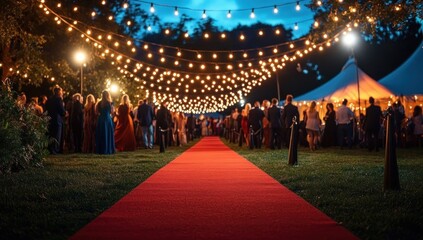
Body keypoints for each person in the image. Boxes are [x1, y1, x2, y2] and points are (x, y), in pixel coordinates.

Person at [45, 86, 66, 154]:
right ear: (59, 92)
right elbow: (61, 110)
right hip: (57, 120)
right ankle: (55, 149)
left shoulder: (49, 99)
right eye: (61, 91)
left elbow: (46, 108)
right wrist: (65, 113)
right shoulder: (59, 99)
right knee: (57, 135)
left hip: (50, 119)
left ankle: (50, 149)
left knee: (51, 134)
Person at [95, 90, 115, 154]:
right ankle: (108, 149)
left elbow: (96, 112)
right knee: (108, 134)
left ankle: (101, 149)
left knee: (101, 134)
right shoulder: (109, 103)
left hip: (101, 119)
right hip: (107, 119)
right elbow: (111, 112)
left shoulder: (99, 103)